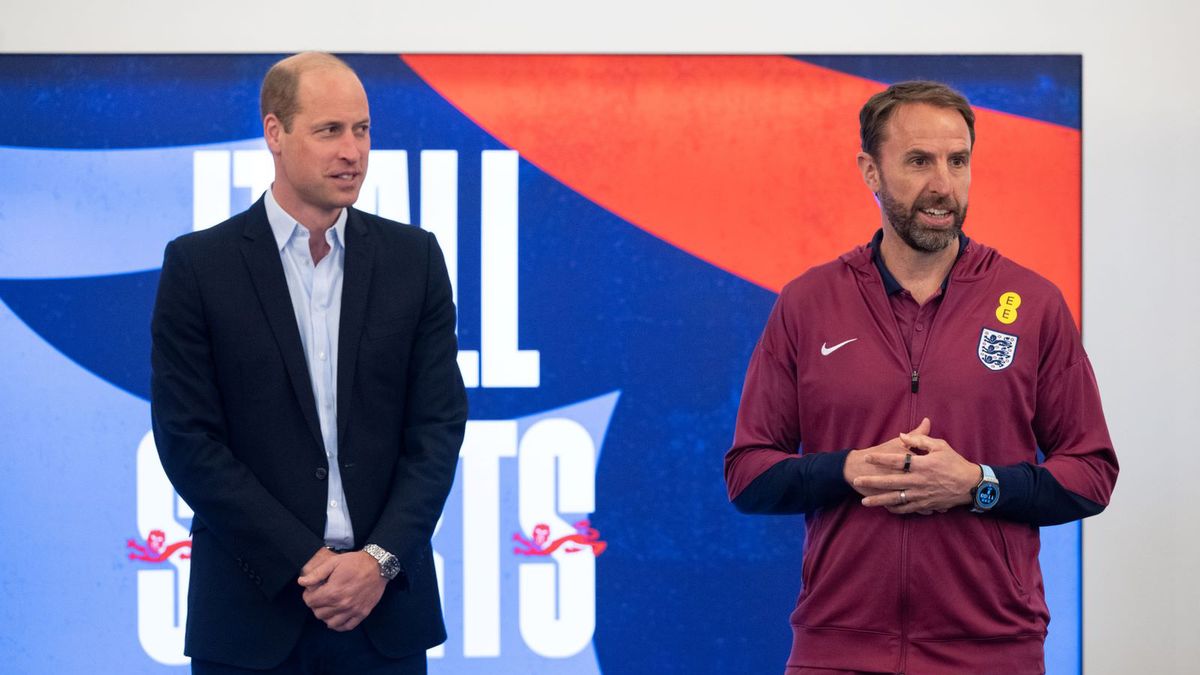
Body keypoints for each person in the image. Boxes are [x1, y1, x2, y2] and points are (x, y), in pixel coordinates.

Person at [724, 81, 1118, 674]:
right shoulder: (807, 303)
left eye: (957, 161)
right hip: (839, 651)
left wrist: (977, 484)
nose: (943, 185)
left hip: (993, 651)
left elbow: (1092, 472)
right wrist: (848, 469)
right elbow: (749, 474)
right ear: (870, 171)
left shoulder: (1031, 303)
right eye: (918, 161)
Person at [151, 52, 467, 674]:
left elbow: (437, 430)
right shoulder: (199, 267)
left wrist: (377, 562)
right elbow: (189, 440)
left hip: (383, 618)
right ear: (275, 133)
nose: (352, 151)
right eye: (329, 131)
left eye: (362, 130)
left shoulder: (415, 260)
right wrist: (310, 564)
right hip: (251, 615)